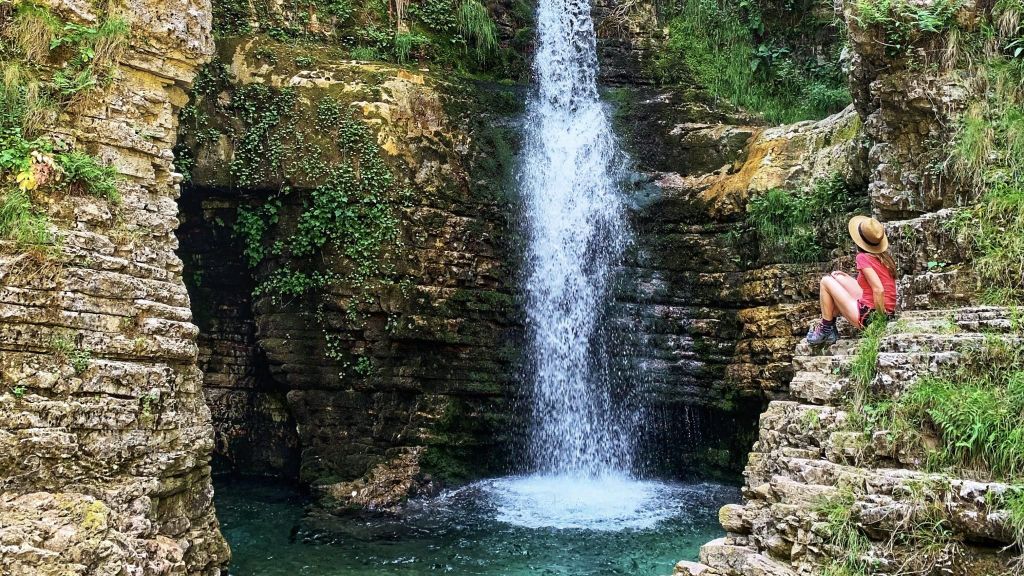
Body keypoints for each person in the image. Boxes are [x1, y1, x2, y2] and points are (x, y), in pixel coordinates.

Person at [806, 215, 898, 346]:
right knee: (837, 277)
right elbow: (874, 285)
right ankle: (829, 322)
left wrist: (879, 320)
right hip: (884, 310)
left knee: (826, 281)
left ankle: (826, 328)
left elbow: (879, 289)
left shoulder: (862, 257)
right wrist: (847, 278)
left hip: (869, 317)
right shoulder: (885, 257)